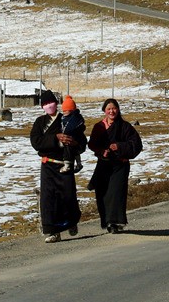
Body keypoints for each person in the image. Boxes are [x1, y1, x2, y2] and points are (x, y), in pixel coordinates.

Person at [29, 89, 85, 243]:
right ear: (42, 107)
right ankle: (53, 232)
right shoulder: (40, 122)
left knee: (67, 196)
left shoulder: (67, 119)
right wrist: (55, 138)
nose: (49, 105)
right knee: (49, 200)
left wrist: (74, 143)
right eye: (45, 103)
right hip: (48, 165)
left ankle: (71, 223)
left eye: (51, 102)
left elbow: (81, 142)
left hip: (65, 165)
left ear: (56, 103)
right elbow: (36, 142)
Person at [87, 98, 143, 234]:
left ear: (118, 110)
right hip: (104, 165)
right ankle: (107, 221)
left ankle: (116, 222)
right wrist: (101, 151)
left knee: (116, 193)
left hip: (120, 166)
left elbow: (136, 145)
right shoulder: (98, 127)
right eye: (109, 109)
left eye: (114, 108)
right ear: (104, 111)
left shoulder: (125, 127)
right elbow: (92, 144)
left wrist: (119, 146)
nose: (112, 111)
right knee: (103, 193)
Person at [58, 95, 85, 173]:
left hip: (73, 138)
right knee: (75, 152)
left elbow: (68, 128)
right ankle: (79, 164)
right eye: (63, 111)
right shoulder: (66, 118)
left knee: (69, 149)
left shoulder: (74, 118)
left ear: (71, 110)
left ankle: (67, 165)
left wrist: (63, 134)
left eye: (66, 110)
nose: (64, 112)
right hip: (74, 138)